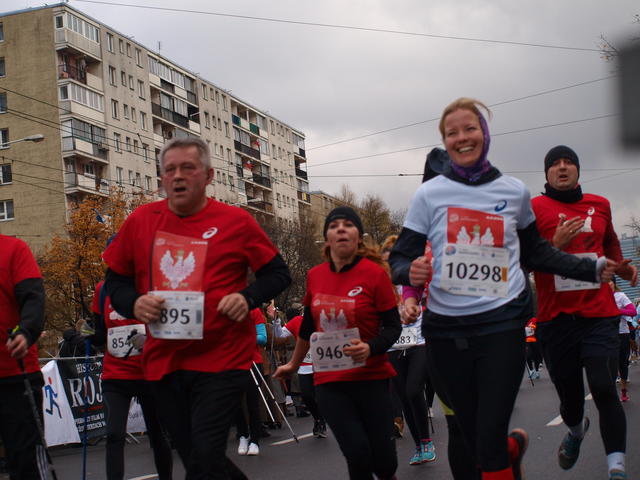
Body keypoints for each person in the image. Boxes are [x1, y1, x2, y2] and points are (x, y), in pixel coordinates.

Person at [389, 98, 618, 480]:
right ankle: (508, 451)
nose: (462, 137)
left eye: (470, 128)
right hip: (445, 332)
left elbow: (537, 252)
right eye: (452, 132)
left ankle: (501, 452)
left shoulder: (512, 191)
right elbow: (399, 257)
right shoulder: (428, 196)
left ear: (484, 134)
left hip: (501, 325)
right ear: (445, 141)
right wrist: (408, 271)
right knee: (473, 434)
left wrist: (590, 267)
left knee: (489, 434)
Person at [103, 137, 291, 480]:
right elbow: (115, 284)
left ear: (208, 175)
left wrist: (247, 297)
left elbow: (278, 274)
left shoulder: (235, 221)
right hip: (165, 361)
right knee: (198, 461)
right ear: (162, 177)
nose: (177, 176)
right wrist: (135, 302)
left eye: (187, 168)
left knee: (204, 455)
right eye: (169, 169)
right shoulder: (141, 221)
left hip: (222, 357)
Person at [531, 145, 637, 480]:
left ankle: (616, 468)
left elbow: (611, 247)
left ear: (578, 170)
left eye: (569, 163)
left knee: (604, 387)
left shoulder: (600, 204)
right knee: (572, 400)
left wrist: (623, 268)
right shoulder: (533, 209)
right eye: (555, 164)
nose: (562, 167)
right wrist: (555, 245)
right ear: (547, 173)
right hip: (555, 318)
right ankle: (576, 431)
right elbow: (522, 261)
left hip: (599, 314)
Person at [275, 206, 402, 480]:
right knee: (357, 454)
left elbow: (393, 327)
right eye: (334, 226)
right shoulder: (315, 275)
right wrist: (293, 365)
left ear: (358, 236)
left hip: (371, 378)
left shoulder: (375, 274)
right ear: (327, 238)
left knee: (384, 463)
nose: (341, 229)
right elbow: (308, 327)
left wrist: (370, 347)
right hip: (330, 382)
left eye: (348, 224)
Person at [91, 280, 173, 480]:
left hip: (148, 374)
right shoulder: (103, 290)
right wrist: (84, 334)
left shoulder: (150, 285)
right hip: (116, 374)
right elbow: (100, 335)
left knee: (157, 434)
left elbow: (169, 327)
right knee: (114, 434)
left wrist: (149, 342)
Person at [0, 234, 46, 480]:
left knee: (26, 463)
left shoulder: (14, 249)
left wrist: (25, 332)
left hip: (15, 376)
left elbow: (33, 299)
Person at [273, 305, 327, 438]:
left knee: (321, 396)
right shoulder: (297, 321)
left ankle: (321, 422)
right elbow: (279, 334)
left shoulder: (322, 319)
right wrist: (276, 320)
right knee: (307, 396)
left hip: (322, 365)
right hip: (304, 366)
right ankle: (317, 418)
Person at [236, 308, 267, 456]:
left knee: (252, 403)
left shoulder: (254, 311)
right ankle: (243, 435)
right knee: (233, 402)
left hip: (252, 361)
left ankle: (255, 440)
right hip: (231, 362)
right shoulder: (223, 309)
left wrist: (244, 337)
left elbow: (262, 338)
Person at [609, 280, 636, 402]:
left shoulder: (620, 296)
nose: (608, 285)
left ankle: (624, 391)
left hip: (622, 334)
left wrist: (618, 311)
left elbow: (633, 311)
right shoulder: (600, 297)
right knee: (609, 364)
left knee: (622, 363)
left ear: (614, 284)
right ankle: (611, 394)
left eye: (610, 282)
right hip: (606, 335)